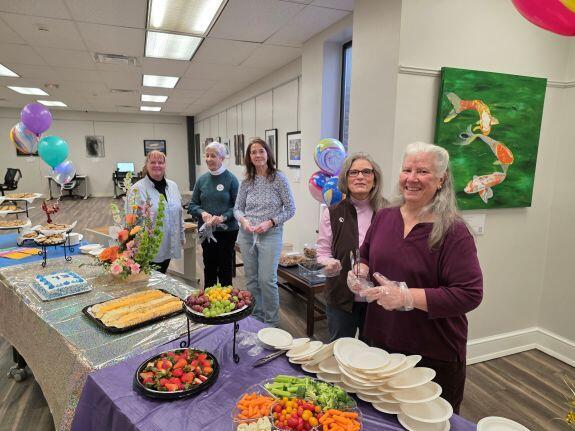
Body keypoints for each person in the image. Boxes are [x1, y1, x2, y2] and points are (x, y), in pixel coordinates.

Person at [349, 142, 483, 413]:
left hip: (432, 353)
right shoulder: (385, 216)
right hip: (380, 340)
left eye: (422, 171)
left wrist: (406, 296)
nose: (411, 178)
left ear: (441, 179)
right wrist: (359, 271)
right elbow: (365, 254)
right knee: (380, 416)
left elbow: (470, 294)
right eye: (406, 169)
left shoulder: (454, 231)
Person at [316, 153, 386, 342]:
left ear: (375, 178)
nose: (360, 177)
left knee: (373, 354)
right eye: (353, 172)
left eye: (366, 172)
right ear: (345, 178)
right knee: (339, 349)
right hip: (340, 296)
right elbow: (322, 252)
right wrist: (329, 262)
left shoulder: (389, 212)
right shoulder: (332, 213)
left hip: (379, 299)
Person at [234, 138, 296, 326]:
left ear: (268, 154)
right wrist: (243, 220)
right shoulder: (246, 181)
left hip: (270, 234)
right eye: (253, 152)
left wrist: (270, 223)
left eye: (261, 151)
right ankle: (257, 318)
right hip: (247, 234)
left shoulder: (279, 178)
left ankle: (272, 322)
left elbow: (290, 209)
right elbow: (237, 208)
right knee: (251, 279)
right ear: (249, 157)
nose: (258, 155)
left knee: (267, 279)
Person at [188, 142, 239, 288]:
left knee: (225, 268)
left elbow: (238, 207)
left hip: (227, 231)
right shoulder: (202, 180)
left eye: (213, 156)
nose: (209, 159)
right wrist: (202, 213)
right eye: (207, 155)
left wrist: (223, 217)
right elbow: (192, 205)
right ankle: (209, 300)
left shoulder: (231, 179)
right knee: (209, 266)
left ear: (222, 158)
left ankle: (225, 301)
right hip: (206, 231)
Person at [128, 150, 185, 274]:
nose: (157, 165)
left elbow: (179, 213)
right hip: (148, 248)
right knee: (149, 282)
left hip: (169, 242)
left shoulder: (173, 186)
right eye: (153, 162)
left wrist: (181, 235)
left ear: (165, 165)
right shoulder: (137, 189)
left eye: (160, 162)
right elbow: (129, 222)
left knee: (161, 276)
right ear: (146, 165)